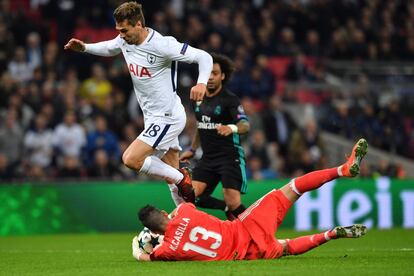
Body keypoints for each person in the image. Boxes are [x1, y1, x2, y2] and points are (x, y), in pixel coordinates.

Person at [64, 2, 213, 203]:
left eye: (124, 30)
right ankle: (186, 220)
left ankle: (182, 177)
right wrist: (84, 47)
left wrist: (201, 83)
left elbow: (204, 57)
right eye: (119, 31)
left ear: (139, 24)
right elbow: (110, 47)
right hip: (152, 117)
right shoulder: (125, 40)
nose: (121, 35)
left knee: (132, 159)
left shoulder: (162, 44)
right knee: (172, 178)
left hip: (167, 117)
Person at [134, 138, 369, 261]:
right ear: (164, 215)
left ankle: (330, 234)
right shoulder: (185, 212)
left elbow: (146, 257)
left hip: (247, 255)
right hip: (245, 228)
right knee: (293, 188)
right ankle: (343, 170)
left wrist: (138, 250)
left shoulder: (167, 251)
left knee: (285, 248)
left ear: (155, 231)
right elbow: (183, 201)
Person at [180, 53, 250, 220]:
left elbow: (245, 125)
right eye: (208, 73)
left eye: (215, 73)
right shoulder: (198, 97)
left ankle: (257, 232)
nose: (210, 77)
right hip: (208, 158)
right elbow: (200, 124)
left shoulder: (230, 99)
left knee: (233, 202)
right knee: (190, 196)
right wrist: (193, 148)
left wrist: (231, 128)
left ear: (223, 76)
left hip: (229, 157)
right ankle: (224, 208)